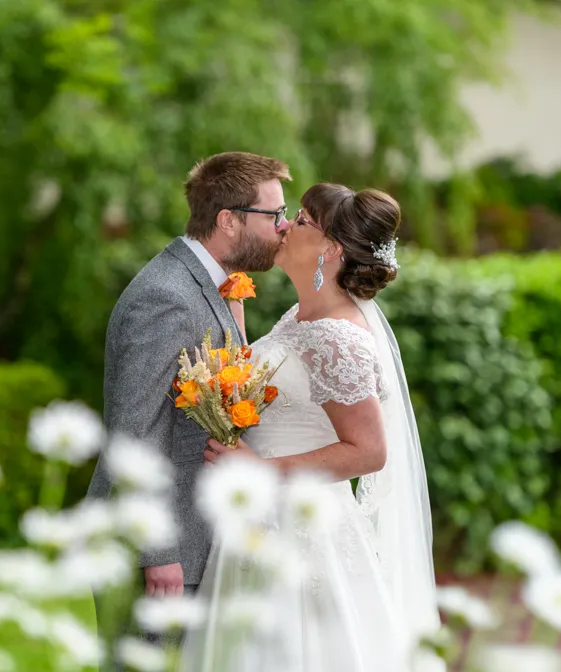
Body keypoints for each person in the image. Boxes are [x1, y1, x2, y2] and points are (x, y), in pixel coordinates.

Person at [178, 184, 440, 671]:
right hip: (259, 522)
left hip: (303, 531)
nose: (283, 226)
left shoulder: (338, 338)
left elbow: (368, 451)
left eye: (300, 220)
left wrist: (262, 468)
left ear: (331, 249)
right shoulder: (298, 318)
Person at [87, 152, 292, 599]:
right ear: (228, 221)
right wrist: (157, 553)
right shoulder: (166, 296)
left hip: (196, 542)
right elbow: (132, 429)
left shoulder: (210, 284)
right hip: (163, 553)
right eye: (274, 213)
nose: (284, 225)